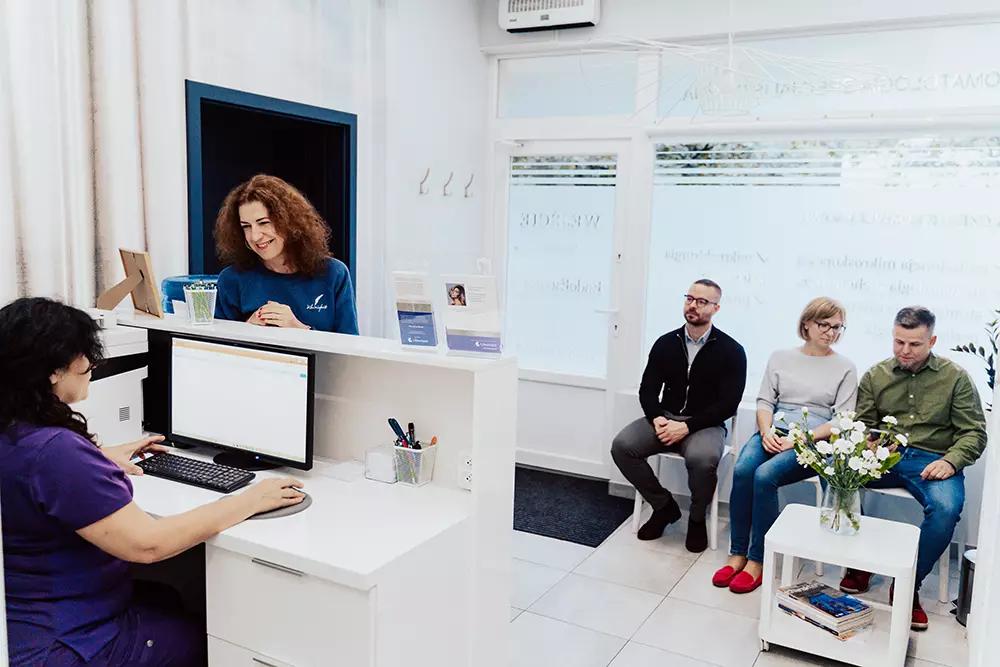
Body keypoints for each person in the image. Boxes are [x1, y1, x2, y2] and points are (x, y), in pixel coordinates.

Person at [0, 297, 307, 667]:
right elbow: (148, 545)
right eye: (83, 355)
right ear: (52, 371)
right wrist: (249, 500)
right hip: (67, 642)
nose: (92, 364)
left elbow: (31, 471)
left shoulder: (19, 432)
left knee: (167, 596)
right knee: (200, 638)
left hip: (19, 624)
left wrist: (95, 459)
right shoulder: (57, 455)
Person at [839, 307, 986, 630]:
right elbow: (863, 424)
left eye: (914, 344)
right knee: (839, 478)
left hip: (932, 459)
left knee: (946, 508)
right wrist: (869, 443)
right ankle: (859, 562)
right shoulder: (876, 375)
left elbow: (974, 433)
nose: (904, 351)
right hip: (886, 455)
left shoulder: (956, 378)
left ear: (931, 341)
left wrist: (950, 461)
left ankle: (907, 584)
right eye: (899, 342)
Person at [713, 297, 858, 594]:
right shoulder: (780, 357)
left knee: (765, 476)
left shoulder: (845, 367)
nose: (831, 332)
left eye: (837, 327)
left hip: (814, 440)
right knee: (743, 470)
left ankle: (758, 560)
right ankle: (737, 554)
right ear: (806, 324)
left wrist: (800, 439)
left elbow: (842, 420)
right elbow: (765, 401)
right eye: (824, 324)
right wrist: (766, 431)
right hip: (774, 429)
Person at [611, 279, 747, 553]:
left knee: (703, 460)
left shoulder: (732, 351)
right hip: (665, 417)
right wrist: (656, 417)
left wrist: (687, 427)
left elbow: (728, 404)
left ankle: (696, 519)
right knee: (622, 447)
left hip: (705, 424)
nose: (693, 305)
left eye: (702, 301)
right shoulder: (665, 343)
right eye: (689, 298)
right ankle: (664, 507)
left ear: (716, 308)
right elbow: (648, 389)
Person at [214, 174, 359, 335]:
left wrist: (299, 329)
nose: (255, 236)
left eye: (264, 223)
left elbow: (349, 345)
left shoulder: (333, 274)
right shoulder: (231, 280)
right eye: (246, 226)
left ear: (290, 221)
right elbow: (217, 347)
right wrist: (247, 330)